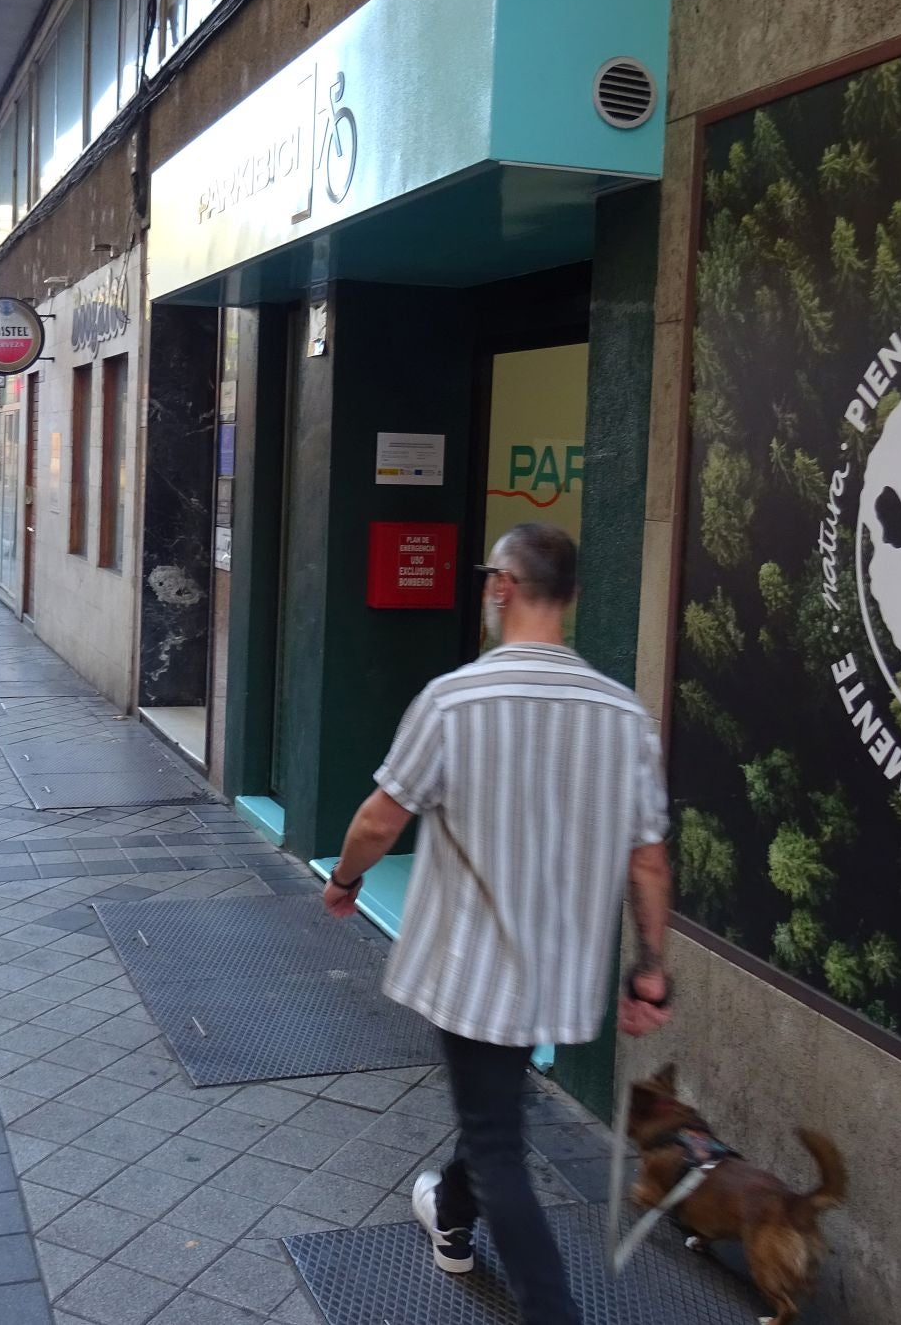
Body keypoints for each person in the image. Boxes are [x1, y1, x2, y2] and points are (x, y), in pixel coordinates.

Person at [322, 522, 672, 1324]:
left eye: (490, 579)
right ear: (573, 599)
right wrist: (651, 969)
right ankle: (450, 1209)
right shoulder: (626, 718)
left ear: (501, 588)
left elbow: (381, 818)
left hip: (473, 970)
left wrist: (346, 879)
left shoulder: (454, 699)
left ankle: (554, 1311)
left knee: (498, 1140)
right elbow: (648, 861)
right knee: (493, 1115)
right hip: (558, 969)